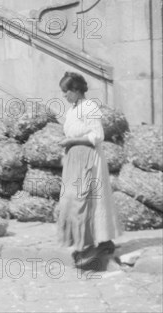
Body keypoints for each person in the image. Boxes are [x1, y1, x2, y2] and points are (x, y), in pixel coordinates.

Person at [57, 72, 122, 269]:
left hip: (89, 160)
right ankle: (86, 242)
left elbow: (98, 135)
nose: (65, 96)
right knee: (74, 200)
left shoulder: (90, 107)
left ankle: (102, 242)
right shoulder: (72, 110)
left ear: (77, 90)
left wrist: (72, 141)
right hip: (74, 161)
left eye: (67, 91)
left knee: (90, 200)